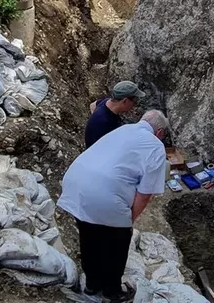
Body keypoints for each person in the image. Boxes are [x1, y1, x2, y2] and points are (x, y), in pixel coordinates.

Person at [59, 111, 170, 302]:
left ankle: (92, 285)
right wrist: (127, 221)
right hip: (104, 195)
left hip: (76, 185)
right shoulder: (155, 146)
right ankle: (112, 290)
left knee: (89, 236)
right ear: (159, 132)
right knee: (117, 245)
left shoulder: (123, 129)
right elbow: (144, 194)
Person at [85, 81, 146, 149]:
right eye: (134, 102)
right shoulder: (107, 123)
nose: (135, 105)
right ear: (125, 101)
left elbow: (92, 105)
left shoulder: (106, 102)